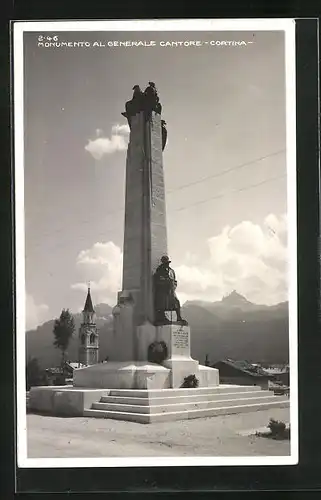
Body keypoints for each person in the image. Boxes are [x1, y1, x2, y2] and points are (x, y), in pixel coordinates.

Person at [153, 255, 187, 325]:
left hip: (171, 290)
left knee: (176, 302)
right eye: (165, 263)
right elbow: (157, 281)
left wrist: (173, 286)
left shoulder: (172, 271)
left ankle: (179, 317)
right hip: (163, 291)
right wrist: (165, 283)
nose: (167, 264)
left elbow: (175, 281)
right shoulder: (159, 270)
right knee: (162, 303)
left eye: (167, 263)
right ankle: (161, 317)